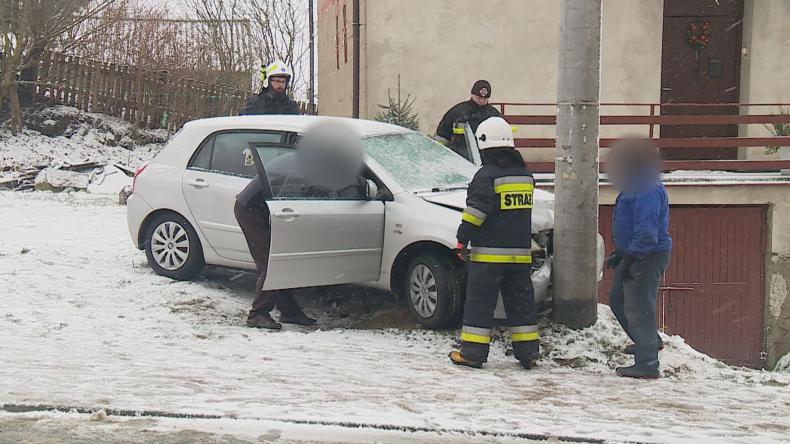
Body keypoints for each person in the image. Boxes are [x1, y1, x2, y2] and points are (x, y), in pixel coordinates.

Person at [448, 116, 539, 370]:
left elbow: (476, 213)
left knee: (480, 304)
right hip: (520, 255)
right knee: (521, 303)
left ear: (484, 145)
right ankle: (528, 352)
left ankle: (473, 354)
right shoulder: (524, 175)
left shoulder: (485, 176)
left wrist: (461, 238)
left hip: (488, 255)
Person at [605, 139, 672, 379]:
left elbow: (646, 233)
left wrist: (631, 259)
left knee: (638, 306)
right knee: (619, 298)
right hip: (635, 252)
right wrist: (622, 253)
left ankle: (647, 364)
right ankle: (649, 342)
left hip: (647, 255)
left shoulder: (647, 189)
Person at [434, 80, 502, 160]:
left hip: (487, 162)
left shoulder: (494, 115)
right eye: (479, 97)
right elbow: (442, 138)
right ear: (472, 94)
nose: (481, 101)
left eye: (485, 98)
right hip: (458, 160)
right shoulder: (456, 112)